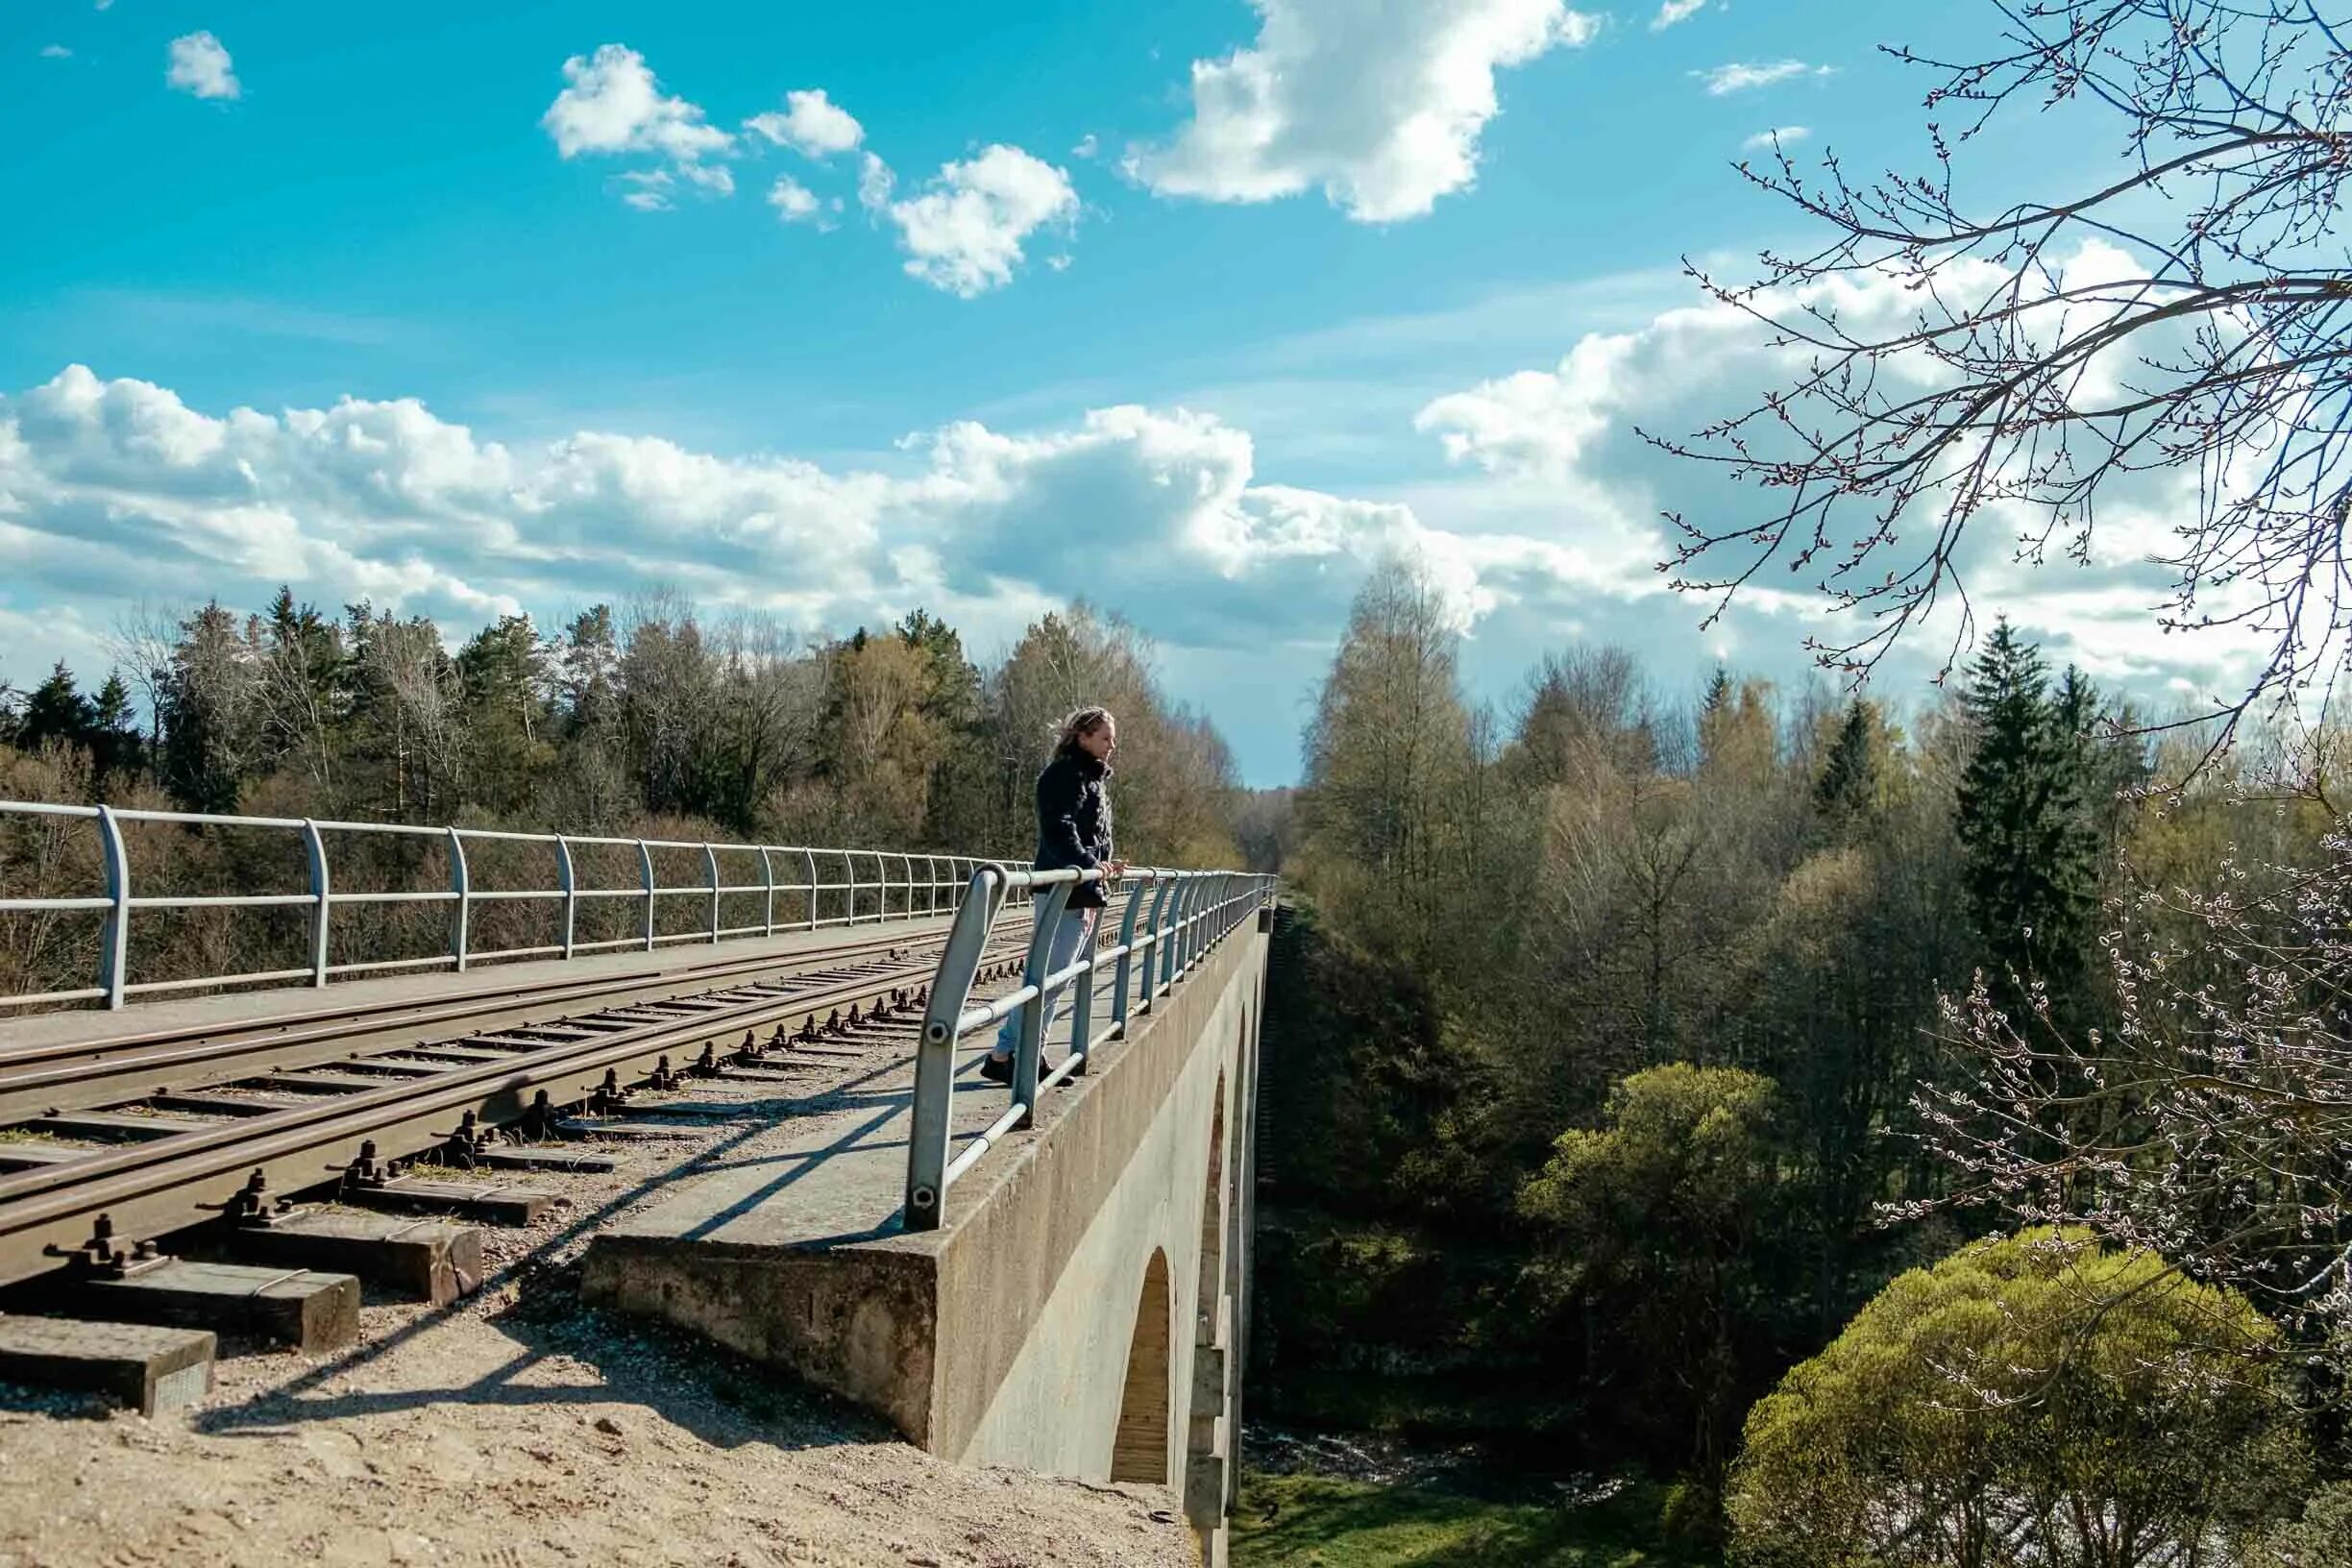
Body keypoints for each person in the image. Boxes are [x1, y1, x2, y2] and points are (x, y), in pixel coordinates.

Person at [981, 706, 1126, 1084]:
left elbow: (1089, 836)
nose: (1112, 745)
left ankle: (1006, 1054)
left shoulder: (1088, 778)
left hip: (1077, 888)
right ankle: (1022, 1057)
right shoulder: (1065, 775)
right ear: (1083, 737)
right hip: (1066, 889)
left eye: (1112, 738)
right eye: (1105, 738)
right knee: (1049, 978)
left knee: (1050, 978)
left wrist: (1102, 869)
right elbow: (1059, 831)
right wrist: (1090, 869)